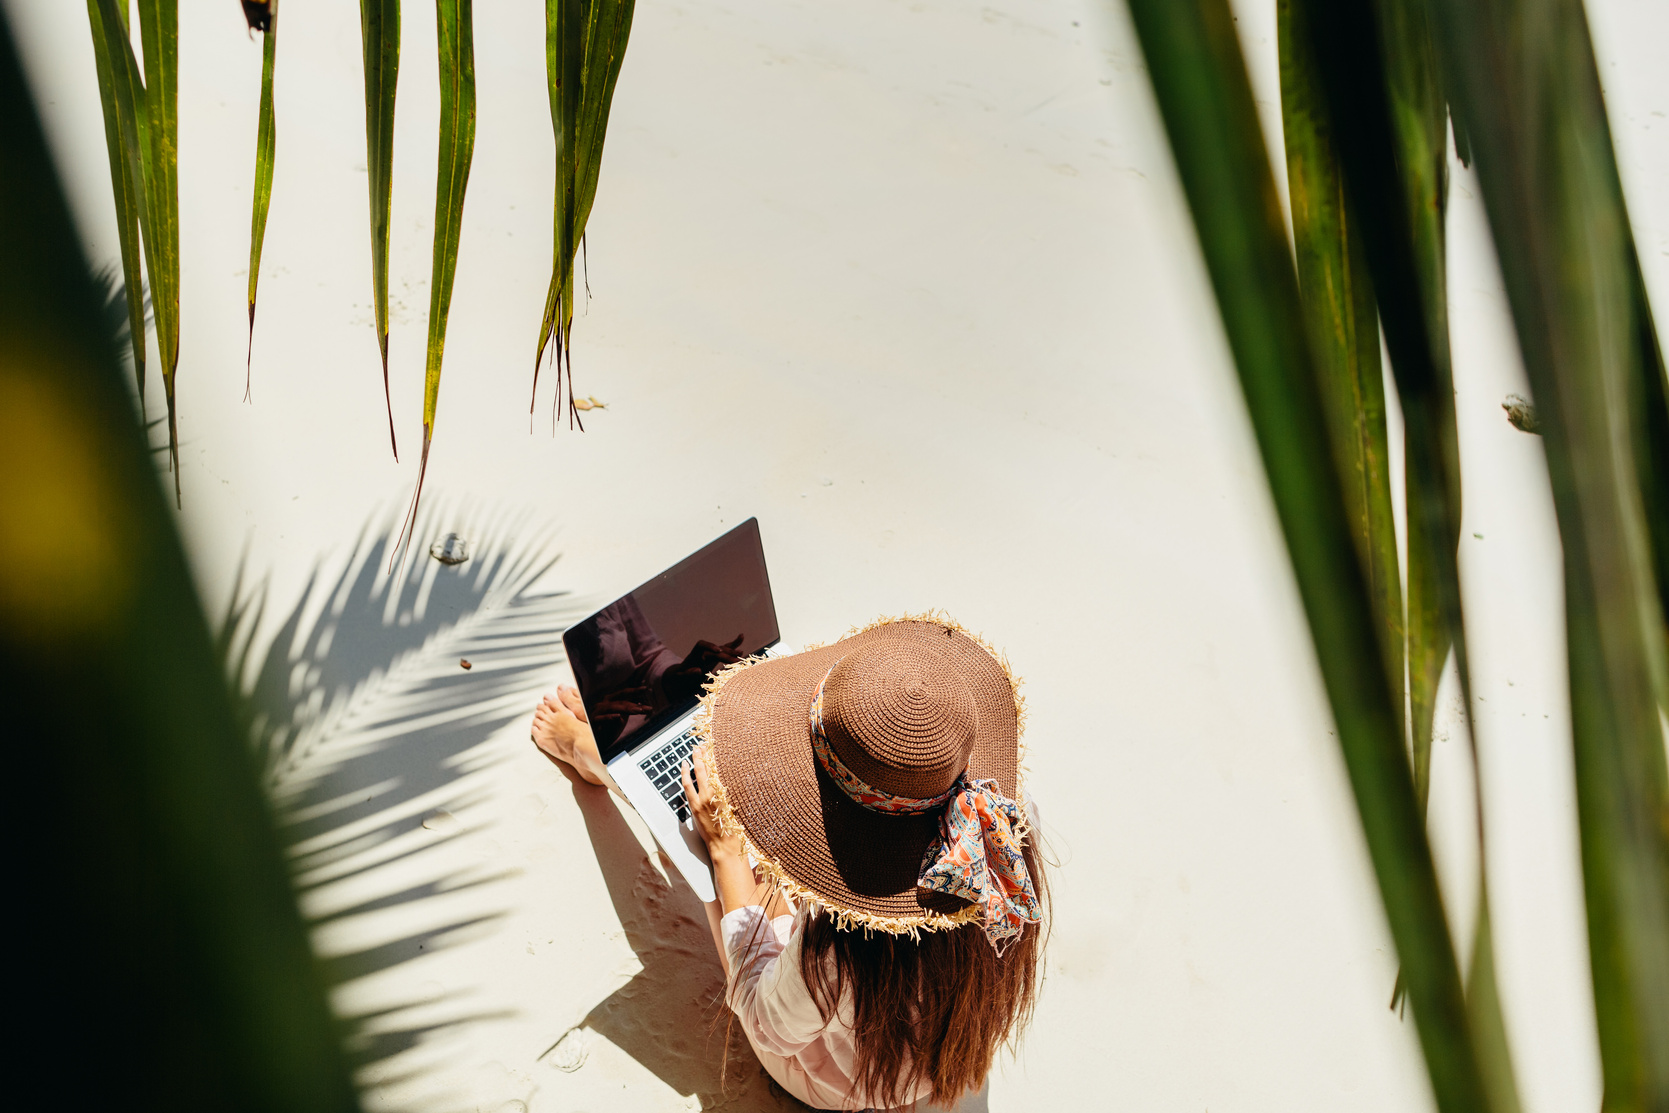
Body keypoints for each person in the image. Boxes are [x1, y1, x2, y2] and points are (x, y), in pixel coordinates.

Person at [533, 614, 1048, 1111]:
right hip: (933, 1049)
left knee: (730, 839)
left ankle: (602, 755)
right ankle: (657, 680)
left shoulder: (836, 953)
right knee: (757, 843)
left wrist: (725, 850)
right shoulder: (1003, 831)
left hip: (842, 1081)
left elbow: (764, 1019)